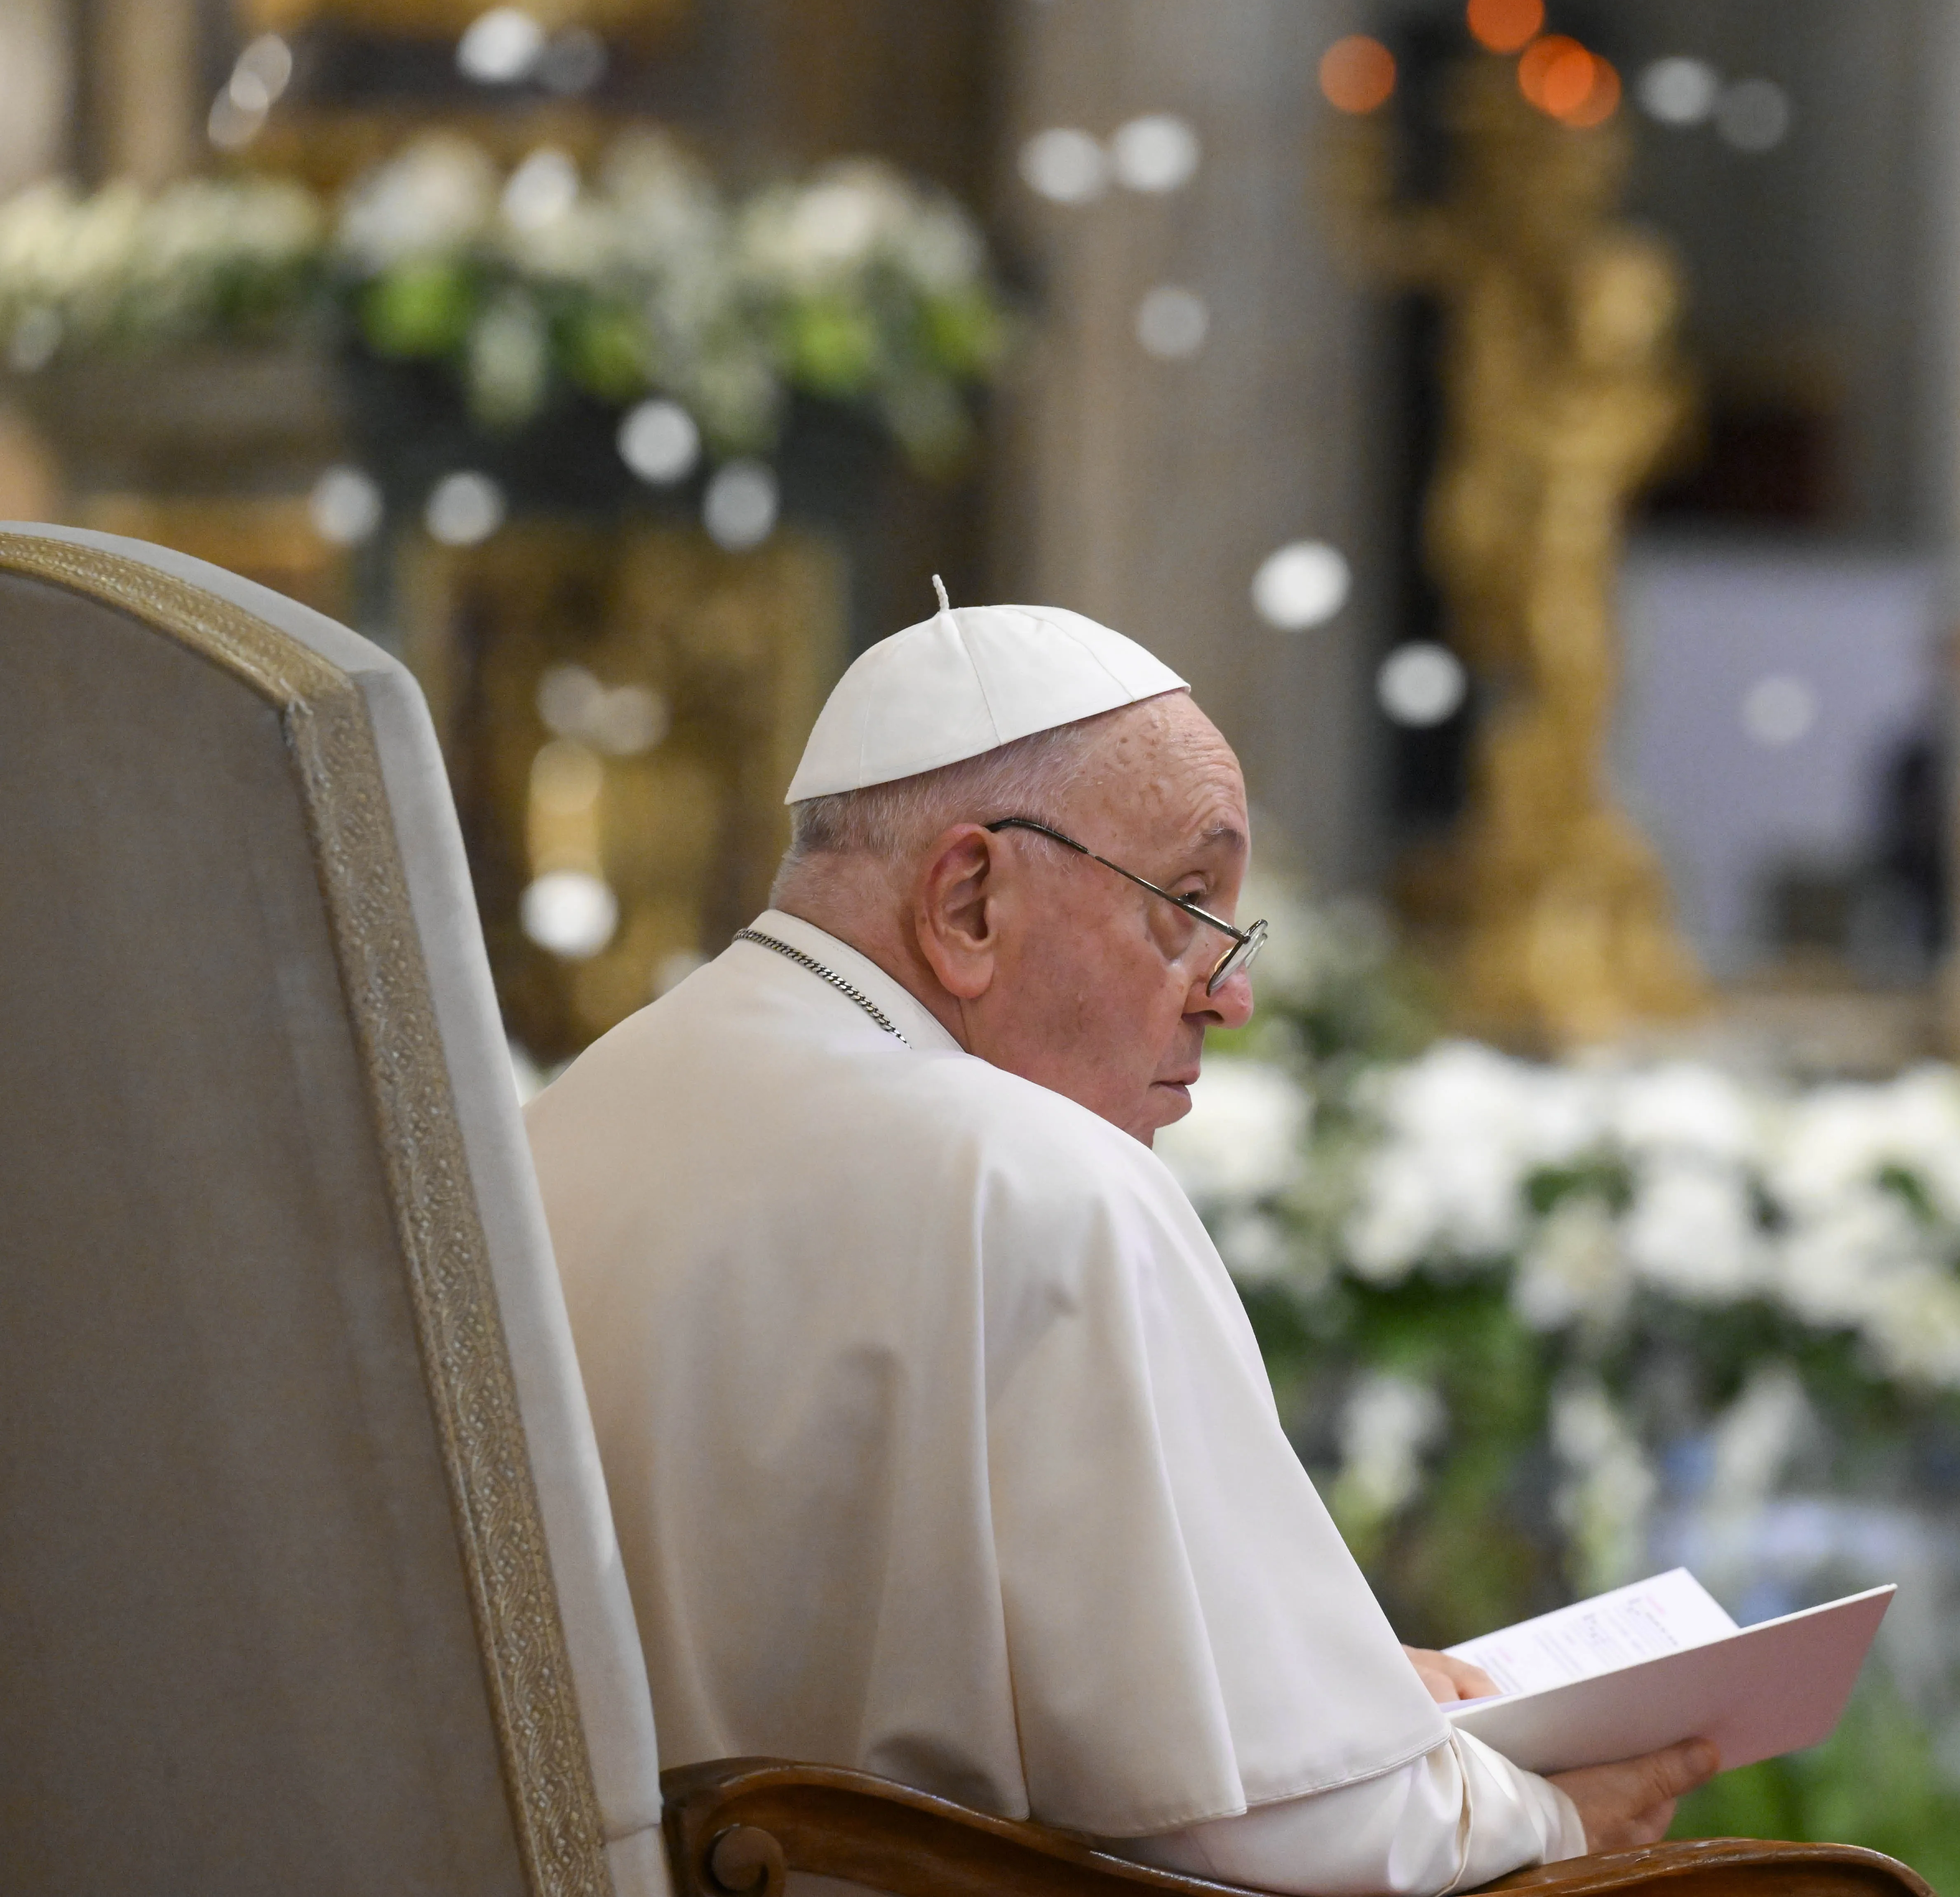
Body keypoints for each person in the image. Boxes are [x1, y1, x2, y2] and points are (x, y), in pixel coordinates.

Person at [525, 593, 1714, 1897]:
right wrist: (1546, 1814)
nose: (1230, 990)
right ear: (969, 898)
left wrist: (1364, 1702)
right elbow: (1285, 1834)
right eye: (1186, 902)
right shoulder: (1037, 1177)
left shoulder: (557, 1125)